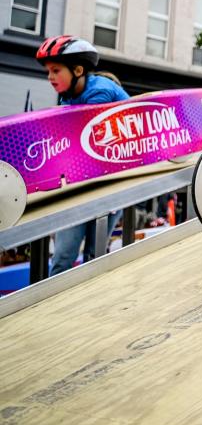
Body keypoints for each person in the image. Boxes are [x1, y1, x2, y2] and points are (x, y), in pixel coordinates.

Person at [37, 35, 129, 275]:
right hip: (84, 179)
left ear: (78, 70)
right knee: (62, 258)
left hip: (111, 181)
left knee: (93, 255)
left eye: (56, 70)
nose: (50, 77)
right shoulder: (68, 95)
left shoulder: (99, 92)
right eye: (48, 71)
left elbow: (83, 140)